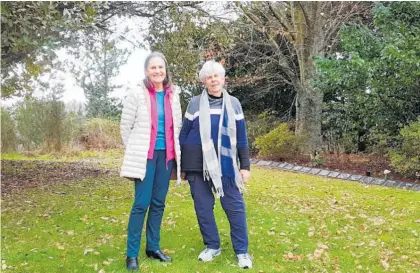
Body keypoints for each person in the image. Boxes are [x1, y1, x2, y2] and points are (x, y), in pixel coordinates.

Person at [179, 60, 253, 269]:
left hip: (226, 166)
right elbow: (183, 135)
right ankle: (212, 246)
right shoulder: (194, 103)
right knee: (203, 208)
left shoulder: (234, 104)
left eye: (216, 76)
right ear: (204, 81)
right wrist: (183, 167)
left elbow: (242, 138)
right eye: (209, 77)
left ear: (223, 79)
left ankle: (242, 251)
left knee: (235, 207)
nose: (213, 80)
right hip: (196, 166)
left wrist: (245, 166)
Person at [120, 52, 182, 271]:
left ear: (166, 70)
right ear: (147, 71)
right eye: (153, 67)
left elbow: (178, 125)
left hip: (166, 157)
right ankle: (131, 254)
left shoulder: (173, 94)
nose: (157, 71)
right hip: (145, 157)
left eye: (161, 67)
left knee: (158, 203)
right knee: (141, 204)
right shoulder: (136, 93)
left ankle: (153, 247)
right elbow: (125, 127)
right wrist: (135, 151)